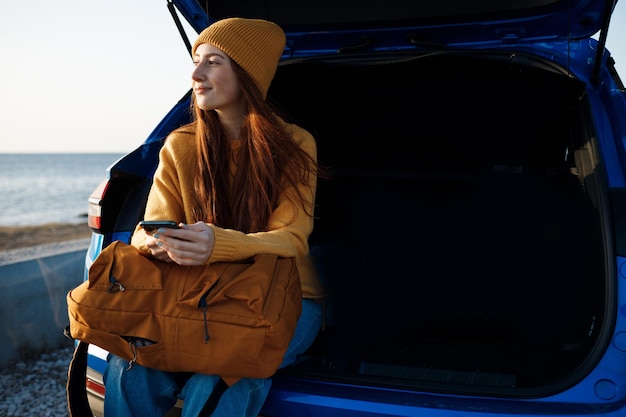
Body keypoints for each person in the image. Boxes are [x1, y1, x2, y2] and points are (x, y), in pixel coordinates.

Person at [102, 17, 324, 417]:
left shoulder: (294, 143)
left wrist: (216, 245)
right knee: (130, 366)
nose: (195, 74)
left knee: (224, 375)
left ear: (248, 73)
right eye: (195, 60)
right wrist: (156, 244)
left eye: (213, 61)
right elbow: (143, 230)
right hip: (199, 297)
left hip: (287, 297)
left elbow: (292, 237)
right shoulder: (179, 146)